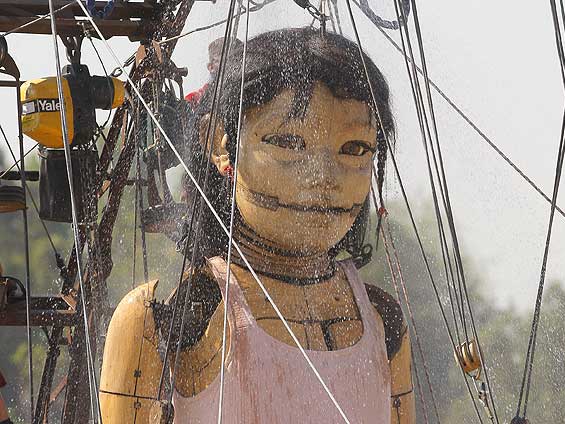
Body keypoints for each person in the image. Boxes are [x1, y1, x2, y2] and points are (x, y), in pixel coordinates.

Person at [100, 27, 414, 424]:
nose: (324, 176)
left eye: (354, 149)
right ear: (219, 142)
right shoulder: (163, 320)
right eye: (289, 143)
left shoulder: (383, 322)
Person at [184, 37, 244, 108]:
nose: (232, 64)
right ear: (211, 67)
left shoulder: (249, 84)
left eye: (237, 59)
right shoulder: (195, 99)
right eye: (225, 60)